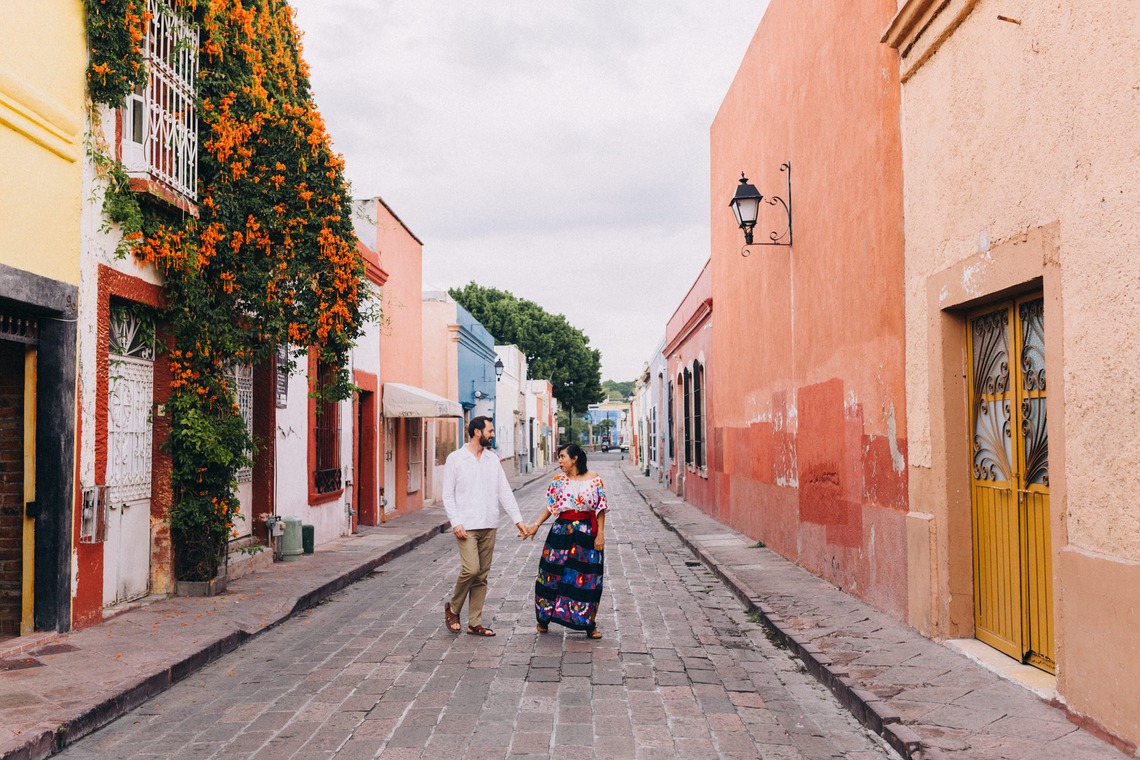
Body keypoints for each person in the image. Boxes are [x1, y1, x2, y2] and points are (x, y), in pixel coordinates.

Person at [442, 416, 529, 637]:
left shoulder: (492, 459)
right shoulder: (456, 459)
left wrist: (518, 521)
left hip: (489, 523)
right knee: (470, 569)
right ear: (477, 432)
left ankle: (474, 622)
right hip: (466, 525)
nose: (492, 435)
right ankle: (453, 608)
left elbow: (504, 492)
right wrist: (456, 522)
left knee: (481, 575)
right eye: (489, 431)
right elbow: (447, 494)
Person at [524, 444, 608, 639]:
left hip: (587, 534)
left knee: (588, 578)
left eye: (562, 457)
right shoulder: (558, 481)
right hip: (561, 533)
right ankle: (543, 618)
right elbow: (551, 507)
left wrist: (600, 533)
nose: (559, 461)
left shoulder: (595, 480)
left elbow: (601, 508)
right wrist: (535, 525)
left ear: (575, 458)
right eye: (559, 457)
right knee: (550, 575)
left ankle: (588, 624)